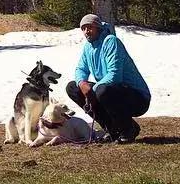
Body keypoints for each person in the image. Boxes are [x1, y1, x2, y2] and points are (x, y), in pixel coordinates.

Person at [65, 13, 151, 143]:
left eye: (90, 27)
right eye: (83, 28)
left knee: (102, 90)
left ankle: (128, 129)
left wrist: (92, 90)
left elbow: (114, 75)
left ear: (98, 27)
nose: (86, 31)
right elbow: (81, 69)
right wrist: (82, 83)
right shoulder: (88, 47)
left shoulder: (111, 41)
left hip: (137, 97)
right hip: (109, 90)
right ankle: (112, 129)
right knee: (73, 87)